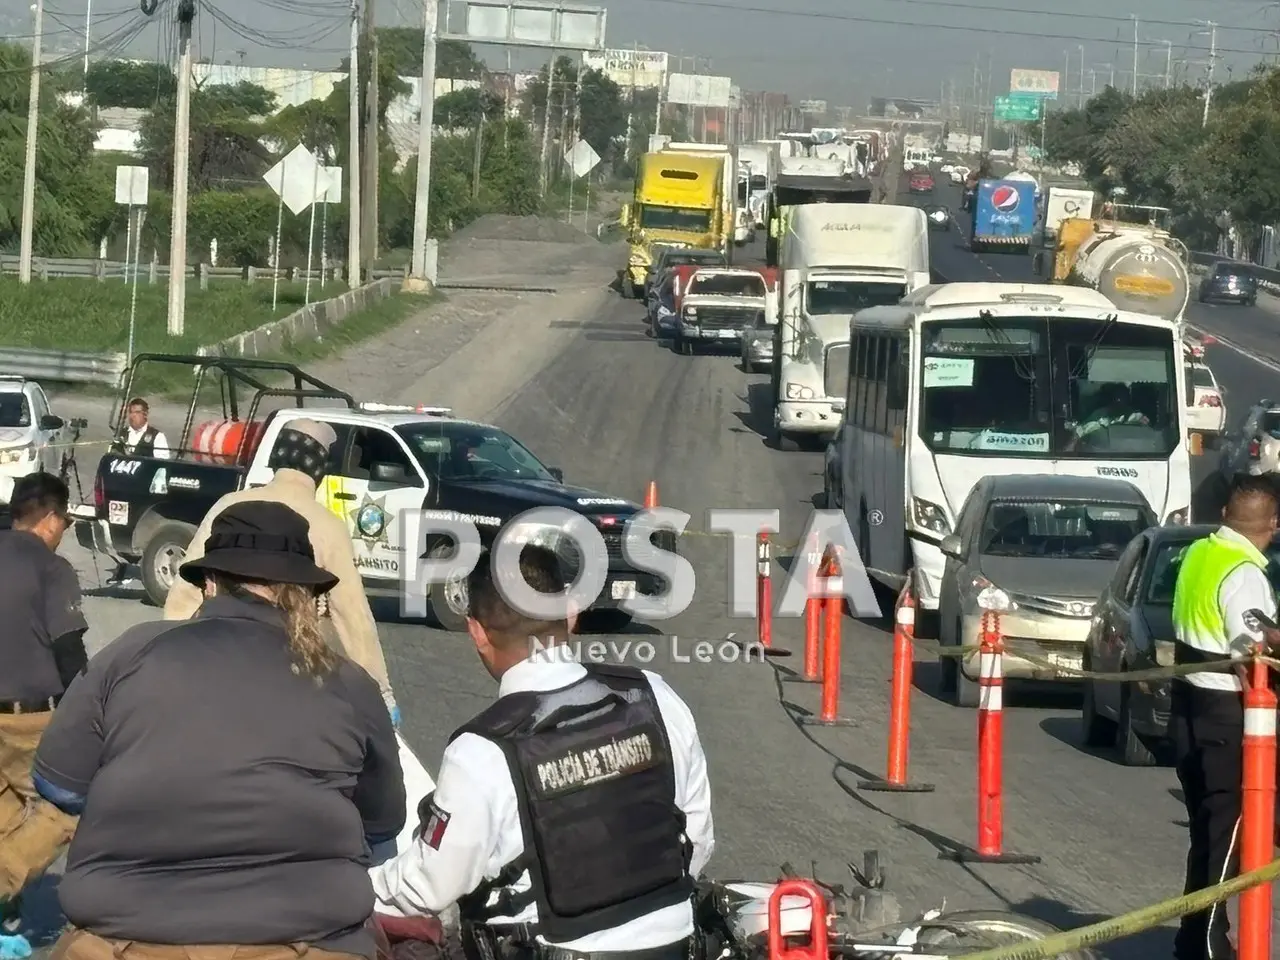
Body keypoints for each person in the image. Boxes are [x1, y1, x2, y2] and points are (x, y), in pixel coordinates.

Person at [33, 501, 406, 960]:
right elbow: (382, 829)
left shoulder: (132, 653)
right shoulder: (349, 682)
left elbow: (57, 783)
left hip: (126, 938)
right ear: (305, 593)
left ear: (210, 583)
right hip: (307, 940)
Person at [370, 545, 714, 960]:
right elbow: (697, 841)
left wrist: (356, 886)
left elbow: (425, 887)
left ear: (477, 632)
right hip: (673, 948)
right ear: (571, 613)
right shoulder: (654, 695)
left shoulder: (483, 751)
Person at [163, 418, 400, 725]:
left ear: (277, 458)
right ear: (320, 469)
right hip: (290, 672)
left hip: (215, 657)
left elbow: (186, 589)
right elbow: (352, 614)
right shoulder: (327, 525)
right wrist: (381, 691)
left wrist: (169, 653)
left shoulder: (229, 505)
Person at [1170, 473, 1280, 960]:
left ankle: (1193, 939)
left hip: (1188, 707)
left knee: (1206, 839)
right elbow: (1250, 651)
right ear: (1273, 524)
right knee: (1228, 845)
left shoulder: (1201, 553)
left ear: (1225, 516)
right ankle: (1211, 947)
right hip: (1225, 718)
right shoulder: (1244, 573)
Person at [0, 473, 86, 905]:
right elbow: (69, 649)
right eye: (66, 524)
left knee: (6, 815)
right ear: (52, 519)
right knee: (67, 809)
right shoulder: (53, 568)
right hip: (31, 720)